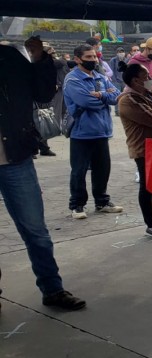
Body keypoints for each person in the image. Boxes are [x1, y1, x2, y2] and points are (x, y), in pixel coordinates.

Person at [0, 36, 86, 311]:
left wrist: (40, 60)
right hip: (15, 155)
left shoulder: (10, 58)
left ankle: (52, 289)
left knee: (36, 230)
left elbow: (43, 93)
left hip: (15, 158)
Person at [64, 44, 123, 219]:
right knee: (79, 170)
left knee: (102, 169)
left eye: (94, 57)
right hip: (82, 133)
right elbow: (86, 102)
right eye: (88, 57)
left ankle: (102, 202)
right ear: (77, 59)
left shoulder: (100, 77)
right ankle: (77, 205)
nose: (93, 60)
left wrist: (102, 95)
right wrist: (106, 96)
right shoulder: (73, 80)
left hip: (102, 131)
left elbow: (117, 97)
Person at [117, 64, 152, 238]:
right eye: (146, 76)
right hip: (144, 149)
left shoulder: (151, 92)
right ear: (136, 80)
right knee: (147, 186)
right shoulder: (127, 100)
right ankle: (151, 224)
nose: (150, 79)